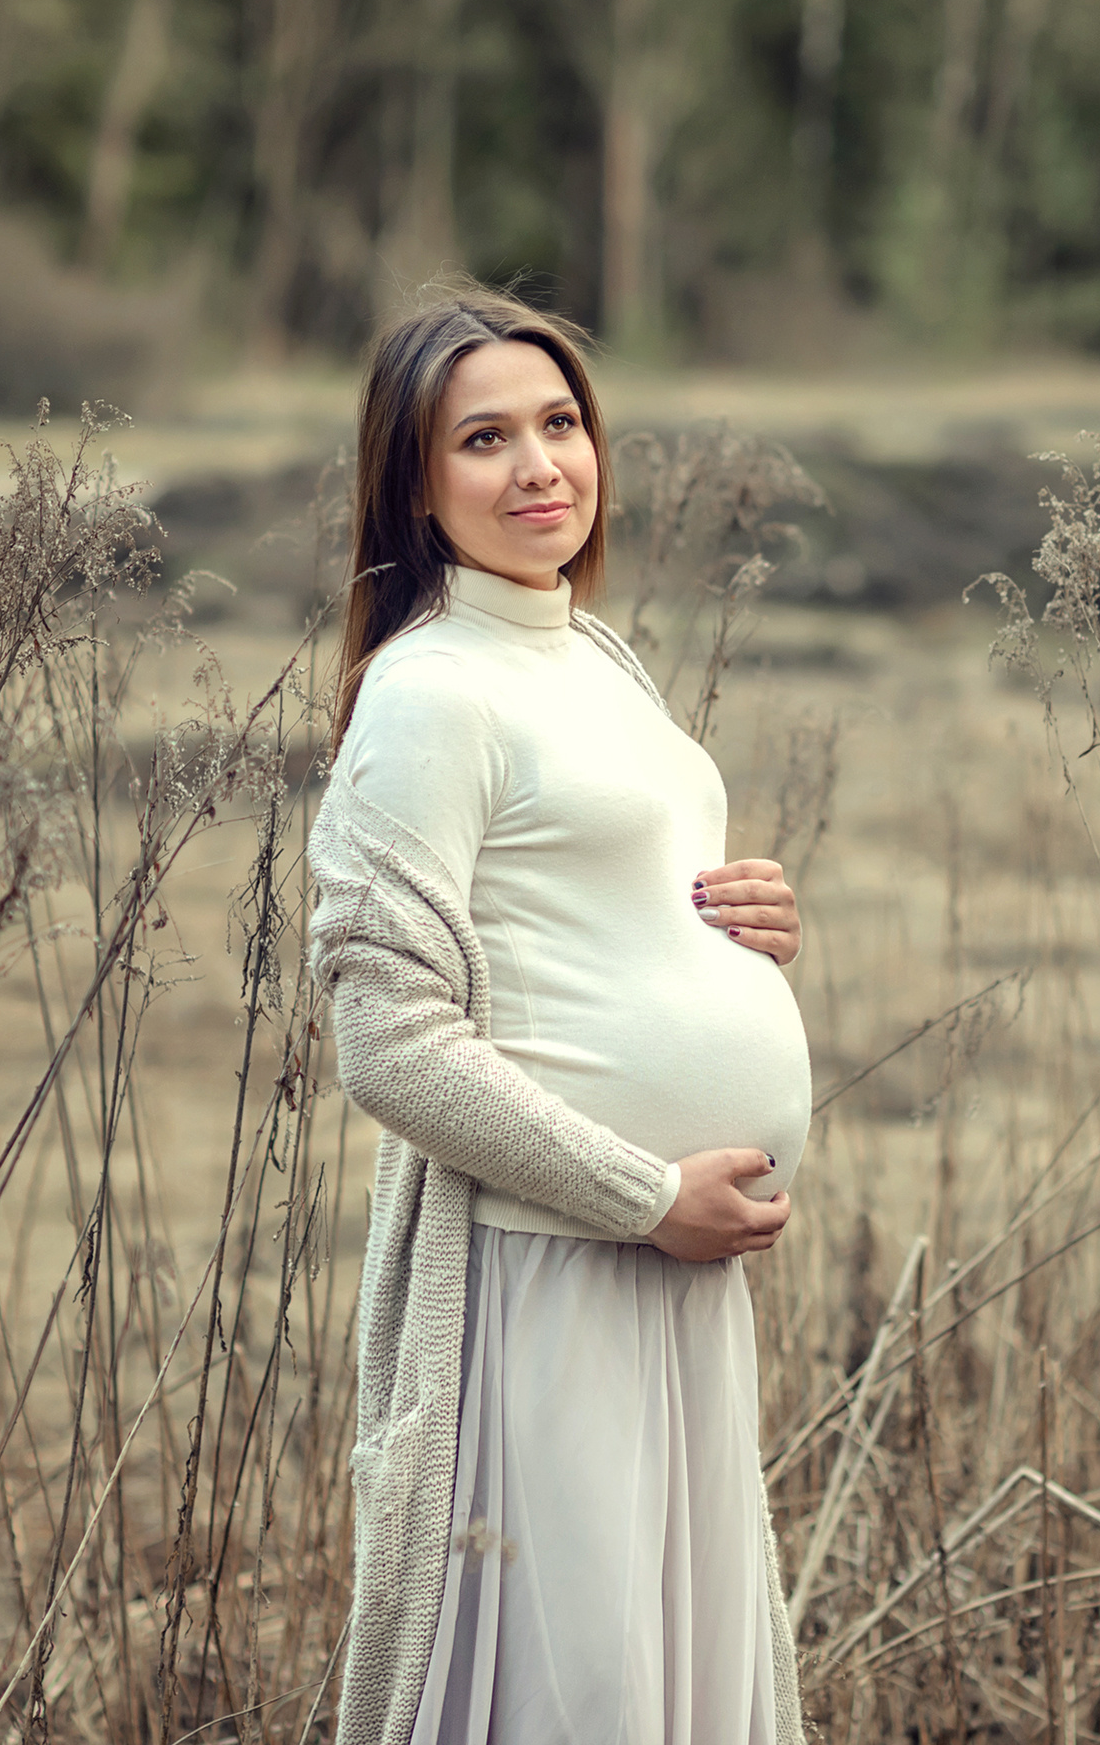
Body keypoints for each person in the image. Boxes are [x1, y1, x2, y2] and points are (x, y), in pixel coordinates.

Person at [305, 288, 813, 1745]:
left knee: (671, 1681)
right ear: (413, 482)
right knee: (577, 1692)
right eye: (485, 439)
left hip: (674, 1276)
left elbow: (596, 903)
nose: (540, 466)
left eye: (561, 423)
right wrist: (645, 1195)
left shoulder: (592, 656)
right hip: (553, 1273)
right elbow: (391, 1043)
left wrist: (748, 924)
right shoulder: (429, 694)